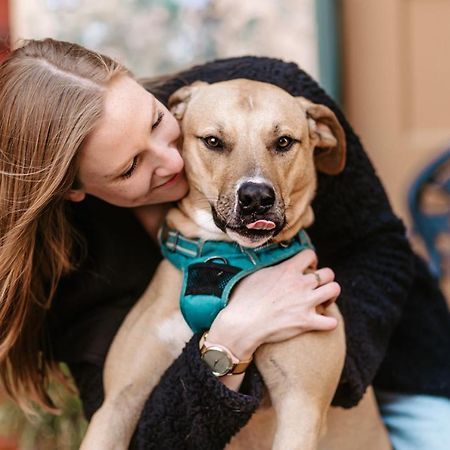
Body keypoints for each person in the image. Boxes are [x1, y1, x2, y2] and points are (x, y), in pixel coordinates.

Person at [0, 38, 448, 450]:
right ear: (74, 188)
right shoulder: (75, 272)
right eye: (131, 165)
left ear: (168, 104)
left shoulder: (271, 96)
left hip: (404, 373)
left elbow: (380, 244)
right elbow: (144, 437)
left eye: (157, 121)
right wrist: (230, 343)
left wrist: (324, 368)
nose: (173, 159)